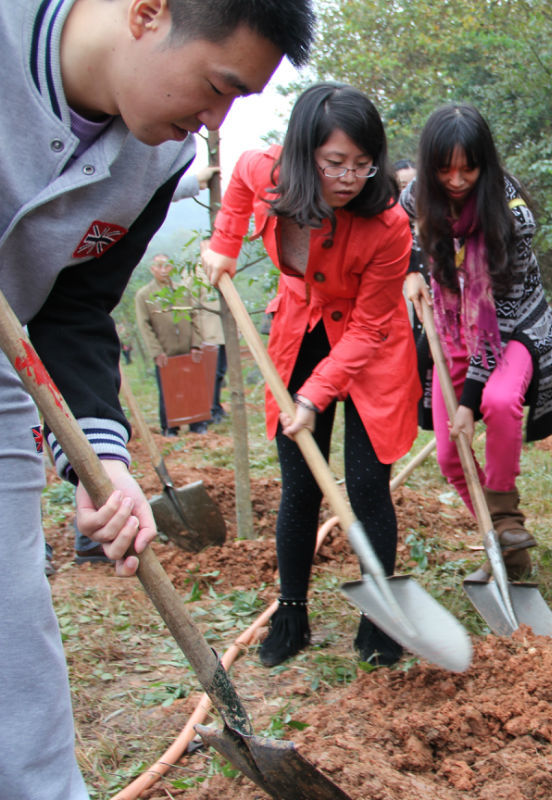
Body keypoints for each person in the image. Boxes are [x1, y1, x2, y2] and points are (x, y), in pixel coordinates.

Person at [0, 1, 313, 797]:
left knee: (13, 617)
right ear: (147, 13)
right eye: (215, 86)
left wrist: (106, 460)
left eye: (235, 103)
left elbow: (74, 303)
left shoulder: (154, 156)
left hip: (6, 362)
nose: (214, 121)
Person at [204, 83, 419, 668]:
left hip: (369, 347)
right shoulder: (269, 171)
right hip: (300, 328)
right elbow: (241, 183)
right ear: (304, 156)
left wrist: (317, 394)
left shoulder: (389, 223)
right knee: (299, 484)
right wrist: (224, 242)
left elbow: (372, 325)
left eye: (362, 163)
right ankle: (291, 612)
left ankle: (380, 616)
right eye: (334, 163)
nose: (350, 177)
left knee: (368, 486)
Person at [401, 104, 552, 581]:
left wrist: (468, 400)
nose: (455, 179)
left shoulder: (511, 220)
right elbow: (399, 224)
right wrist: (412, 268)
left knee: (498, 399)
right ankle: (505, 545)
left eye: (467, 168)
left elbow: (500, 318)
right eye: (444, 168)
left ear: (484, 164)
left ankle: (506, 517)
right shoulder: (417, 196)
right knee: (450, 457)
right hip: (452, 332)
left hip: (514, 329)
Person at [135, 253, 209, 436]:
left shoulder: (182, 291)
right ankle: (170, 427)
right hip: (165, 351)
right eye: (158, 266)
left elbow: (194, 317)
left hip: (187, 347)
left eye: (166, 266)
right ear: (152, 269)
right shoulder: (144, 295)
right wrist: (156, 351)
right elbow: (144, 325)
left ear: (171, 268)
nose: (163, 270)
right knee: (169, 390)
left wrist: (196, 344)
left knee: (193, 386)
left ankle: (197, 424)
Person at [192, 239, 228, 423]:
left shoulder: (225, 264)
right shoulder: (195, 272)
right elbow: (193, 306)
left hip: (224, 333)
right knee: (210, 375)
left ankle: (217, 406)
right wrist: (197, 338)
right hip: (208, 335)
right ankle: (210, 410)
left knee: (221, 372)